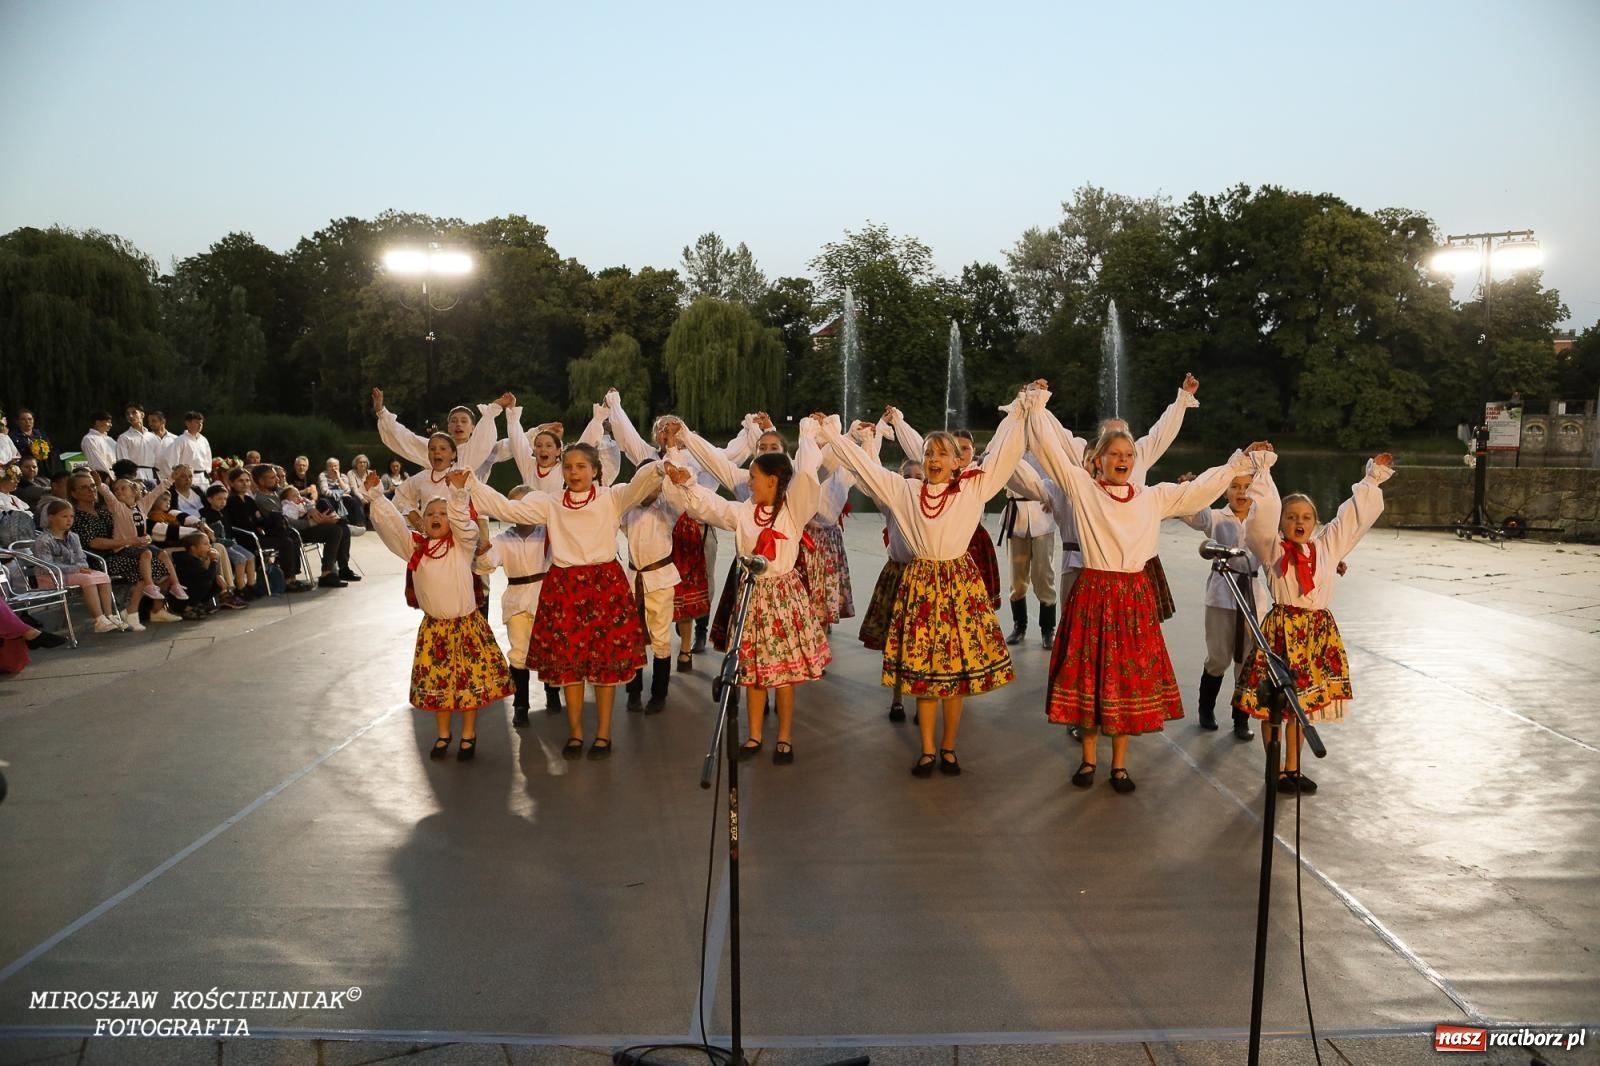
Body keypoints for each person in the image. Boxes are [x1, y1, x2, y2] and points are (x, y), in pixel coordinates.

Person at [1027, 393, 1262, 795]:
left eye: (1128, 454)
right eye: (1114, 453)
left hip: (1133, 594)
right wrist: (1034, 408)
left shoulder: (1151, 497)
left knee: (1126, 680)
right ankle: (1088, 759)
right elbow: (1051, 453)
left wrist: (1236, 465)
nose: (1123, 459)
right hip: (1094, 590)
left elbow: (1198, 492)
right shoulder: (1084, 489)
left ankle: (1119, 764)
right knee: (1090, 676)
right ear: (1098, 460)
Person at [821, 389, 1036, 776]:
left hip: (958, 583)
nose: (934, 459)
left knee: (953, 673)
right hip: (921, 585)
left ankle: (949, 748)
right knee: (923, 673)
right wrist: (837, 437)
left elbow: (1006, 454)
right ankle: (925, 750)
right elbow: (868, 470)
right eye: (929, 453)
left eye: (941, 454)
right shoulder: (907, 491)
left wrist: (1023, 411)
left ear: (958, 461)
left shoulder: (972, 487)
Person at [464, 445, 664, 760]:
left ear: (596, 470)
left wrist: (662, 467)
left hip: (603, 587)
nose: (574, 472)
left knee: (603, 666)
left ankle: (603, 735)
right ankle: (574, 734)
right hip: (565, 587)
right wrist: (472, 485)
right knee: (569, 666)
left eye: (582, 466)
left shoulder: (611, 498)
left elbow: (641, 483)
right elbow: (508, 510)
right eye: (568, 467)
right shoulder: (551, 502)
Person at [662, 419, 831, 765]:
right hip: (752, 597)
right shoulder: (743, 513)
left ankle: (783, 737)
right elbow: (710, 506)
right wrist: (687, 484)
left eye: (753, 477)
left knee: (784, 676)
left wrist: (808, 436)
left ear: (773, 481)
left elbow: (808, 480)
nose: (748, 481)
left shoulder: (792, 511)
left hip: (783, 598)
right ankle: (754, 735)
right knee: (751, 672)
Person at [1233, 449, 1395, 794]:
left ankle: (1293, 768)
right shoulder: (1272, 549)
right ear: (1282, 523)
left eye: (1306, 516)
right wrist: (1263, 469)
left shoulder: (1327, 546)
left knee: (1301, 706)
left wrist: (1372, 478)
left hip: (1315, 633)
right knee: (1275, 704)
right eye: (1291, 516)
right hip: (1282, 631)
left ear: (1316, 522)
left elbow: (1352, 518)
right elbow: (1261, 520)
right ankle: (1273, 769)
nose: (1299, 522)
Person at [361, 473, 512, 761]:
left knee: (469, 688)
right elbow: (393, 527)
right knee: (438, 687)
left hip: (466, 627)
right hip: (435, 632)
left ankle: (468, 735)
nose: (436, 516)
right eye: (430, 513)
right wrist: (378, 497)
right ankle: (444, 735)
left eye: (442, 513)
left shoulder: (461, 545)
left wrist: (457, 494)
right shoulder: (416, 548)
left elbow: (466, 527)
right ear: (422, 519)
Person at [1179, 470, 1265, 739]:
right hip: (1221, 594)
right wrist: (1189, 490)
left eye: (1247, 487)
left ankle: (1241, 718)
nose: (1241, 493)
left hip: (1251, 597)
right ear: (1225, 491)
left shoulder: (1264, 521)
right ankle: (1206, 709)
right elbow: (1192, 513)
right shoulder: (1215, 517)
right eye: (1235, 487)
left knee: (1247, 660)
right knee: (1218, 657)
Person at [475, 484, 551, 726]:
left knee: (550, 649)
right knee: (519, 653)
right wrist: (483, 552)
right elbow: (484, 566)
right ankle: (521, 705)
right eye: (515, 506)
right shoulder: (503, 540)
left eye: (526, 505)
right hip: (516, 600)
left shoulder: (548, 534)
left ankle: (552, 694)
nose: (521, 511)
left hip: (545, 598)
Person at [373, 388, 513, 482]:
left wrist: (534, 433)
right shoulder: (436, 450)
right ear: (448, 427)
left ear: (473, 428)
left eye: (464, 421)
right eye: (454, 421)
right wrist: (381, 412)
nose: (458, 424)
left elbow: (516, 443)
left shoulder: (486, 448)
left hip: (474, 512)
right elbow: (407, 439)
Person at [997, 455, 1060, 648]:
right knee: (1017, 577)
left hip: (1042, 515)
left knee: (1043, 575)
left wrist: (1053, 497)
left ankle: (1047, 629)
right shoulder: (1011, 447)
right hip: (1017, 518)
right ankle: (1019, 625)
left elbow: (1060, 475)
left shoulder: (1046, 447)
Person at [33, 498, 124, 632]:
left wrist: (82, 566)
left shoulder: (73, 537)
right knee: (87, 579)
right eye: (64, 516)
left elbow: (81, 558)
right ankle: (99, 619)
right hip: (50, 577)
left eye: (71, 516)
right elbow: (48, 566)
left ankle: (109, 615)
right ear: (51, 518)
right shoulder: (44, 540)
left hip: (74, 573)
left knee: (103, 576)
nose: (69, 520)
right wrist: (77, 568)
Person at [116, 404, 161, 484]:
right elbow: (123, 462)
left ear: (142, 414)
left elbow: (158, 460)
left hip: (151, 476)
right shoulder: (124, 437)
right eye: (128, 414)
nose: (131, 416)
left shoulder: (153, 437)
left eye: (134, 412)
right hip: (133, 478)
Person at [9, 409, 56, 476]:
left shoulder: (41, 434)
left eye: (30, 419)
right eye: (23, 419)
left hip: (43, 470)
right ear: (17, 422)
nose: (27, 422)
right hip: (24, 470)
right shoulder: (12, 436)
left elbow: (50, 451)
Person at [169, 412, 213, 485]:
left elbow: (208, 460)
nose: (200, 425)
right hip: (186, 479)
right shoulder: (180, 440)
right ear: (187, 423)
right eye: (196, 422)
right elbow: (173, 461)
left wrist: (207, 473)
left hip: (203, 479)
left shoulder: (204, 440)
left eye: (201, 423)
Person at [80, 412, 119, 478]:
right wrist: (109, 478)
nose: (111, 425)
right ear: (98, 422)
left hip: (117, 476)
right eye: (108, 422)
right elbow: (96, 462)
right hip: (103, 478)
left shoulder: (110, 440)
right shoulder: (89, 439)